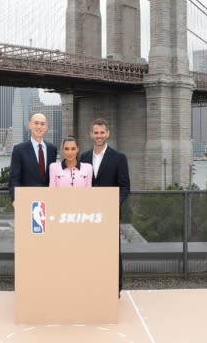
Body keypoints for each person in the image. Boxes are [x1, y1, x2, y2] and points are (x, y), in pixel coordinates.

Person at [79, 117, 130, 295]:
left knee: (113, 251)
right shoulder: (83, 157)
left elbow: (125, 187)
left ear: (107, 134)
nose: (99, 136)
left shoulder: (119, 158)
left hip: (110, 213)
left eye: (102, 132)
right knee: (90, 250)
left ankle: (116, 287)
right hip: (89, 214)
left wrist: (113, 204)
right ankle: (93, 284)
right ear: (90, 134)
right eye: (96, 133)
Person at [8, 113, 58, 201]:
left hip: (48, 201)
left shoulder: (52, 149)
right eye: (36, 123)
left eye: (42, 124)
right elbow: (14, 179)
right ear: (30, 125)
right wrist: (15, 199)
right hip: (26, 200)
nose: (39, 127)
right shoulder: (19, 150)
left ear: (46, 127)